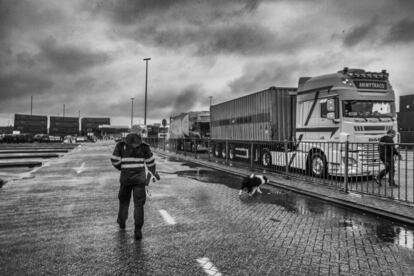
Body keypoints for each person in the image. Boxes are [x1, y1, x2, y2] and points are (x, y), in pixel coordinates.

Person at [110, 132, 158, 240]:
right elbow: (150, 162)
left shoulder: (121, 146)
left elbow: (114, 159)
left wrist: (121, 168)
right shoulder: (144, 147)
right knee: (139, 205)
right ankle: (138, 230)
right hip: (140, 180)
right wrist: (153, 171)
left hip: (125, 180)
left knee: (124, 202)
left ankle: (122, 222)